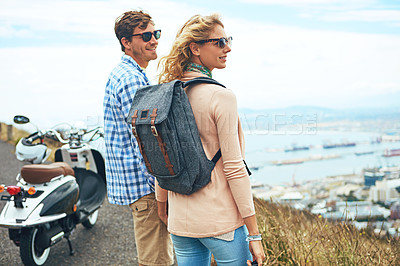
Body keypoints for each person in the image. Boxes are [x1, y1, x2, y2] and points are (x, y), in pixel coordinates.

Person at [157, 14, 265, 266]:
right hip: (220, 221)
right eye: (219, 42)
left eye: (228, 40)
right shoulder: (221, 96)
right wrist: (254, 233)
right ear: (195, 48)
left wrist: (162, 205)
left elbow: (162, 157)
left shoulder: (165, 93)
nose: (228, 47)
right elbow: (234, 167)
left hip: (180, 220)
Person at [103, 10, 174, 266]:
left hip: (140, 187)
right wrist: (160, 186)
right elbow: (144, 141)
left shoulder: (129, 74)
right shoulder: (131, 80)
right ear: (126, 42)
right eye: (146, 35)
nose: (154, 40)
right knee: (156, 261)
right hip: (146, 189)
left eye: (155, 33)